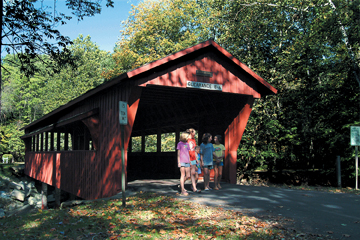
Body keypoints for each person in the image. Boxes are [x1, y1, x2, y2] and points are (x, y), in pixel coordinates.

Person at [177, 131, 191, 196]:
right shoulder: (179, 144)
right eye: (187, 136)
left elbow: (188, 153)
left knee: (188, 175)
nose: (188, 138)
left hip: (187, 161)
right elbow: (178, 154)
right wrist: (179, 162)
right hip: (182, 161)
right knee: (182, 175)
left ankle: (181, 185)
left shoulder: (187, 144)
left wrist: (190, 161)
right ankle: (182, 190)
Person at [187, 128, 201, 193]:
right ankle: (181, 185)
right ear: (191, 133)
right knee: (187, 175)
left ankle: (194, 188)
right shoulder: (187, 139)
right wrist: (188, 159)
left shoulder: (193, 140)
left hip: (193, 158)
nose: (195, 134)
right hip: (188, 158)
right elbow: (186, 150)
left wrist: (196, 158)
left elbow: (195, 150)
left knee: (193, 174)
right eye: (194, 132)